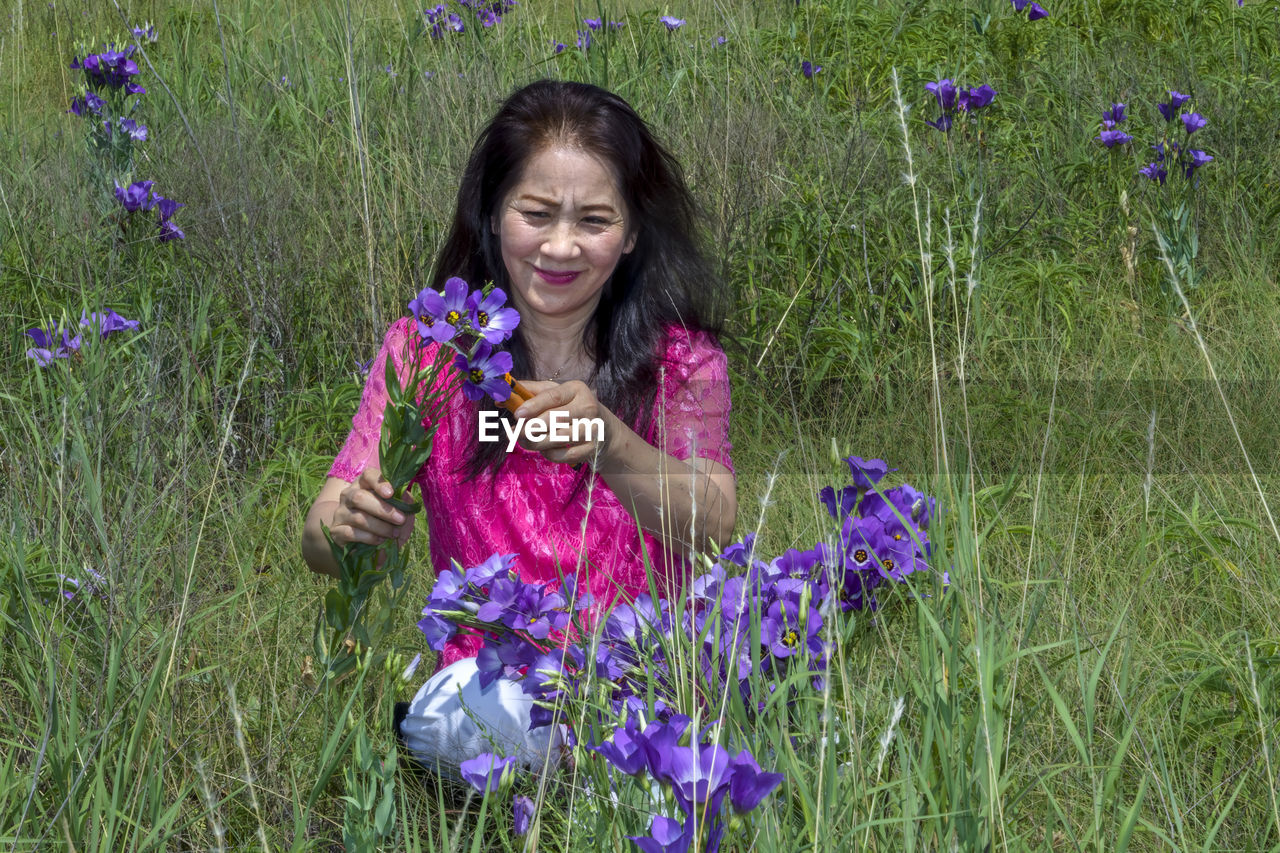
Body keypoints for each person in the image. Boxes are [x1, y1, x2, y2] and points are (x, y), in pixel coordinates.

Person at [301, 79, 736, 774]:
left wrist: (611, 445)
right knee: (472, 722)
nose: (560, 247)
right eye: (535, 213)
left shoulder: (679, 359)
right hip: (491, 676)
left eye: (594, 220)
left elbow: (713, 521)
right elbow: (322, 532)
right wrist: (351, 528)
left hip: (644, 670)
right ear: (493, 213)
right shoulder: (429, 353)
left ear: (631, 236)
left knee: (641, 739)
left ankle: (600, 768)